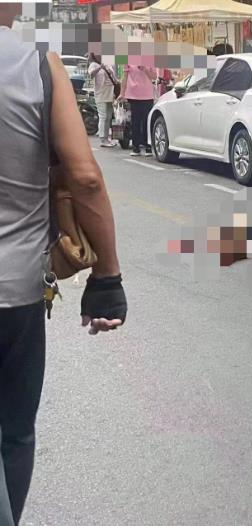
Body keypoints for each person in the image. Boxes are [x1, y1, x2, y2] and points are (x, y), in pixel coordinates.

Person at [0, 4, 127, 525]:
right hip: (14, 293)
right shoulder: (35, 63)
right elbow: (85, 177)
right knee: (13, 433)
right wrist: (107, 278)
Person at [116, 63, 156, 157]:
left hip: (147, 96)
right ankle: (136, 147)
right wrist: (122, 93)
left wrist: (145, 69)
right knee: (135, 122)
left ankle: (148, 147)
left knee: (146, 122)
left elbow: (154, 76)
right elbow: (125, 77)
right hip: (133, 95)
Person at [87, 53, 117, 148]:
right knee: (103, 116)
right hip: (100, 93)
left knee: (108, 116)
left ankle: (107, 138)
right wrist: (100, 67)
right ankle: (102, 139)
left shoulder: (108, 62)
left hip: (110, 92)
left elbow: (113, 76)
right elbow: (91, 75)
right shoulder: (93, 64)